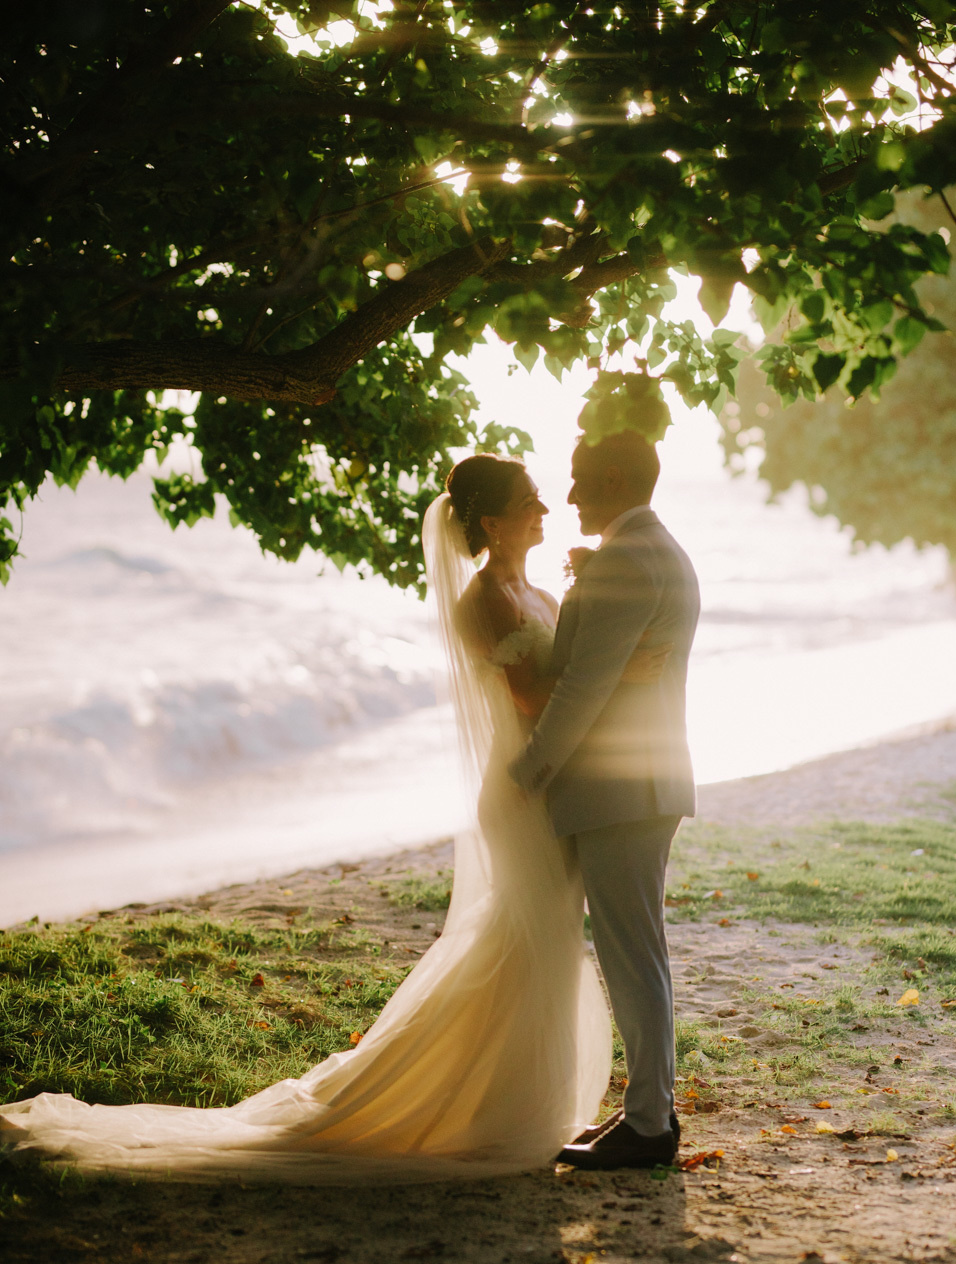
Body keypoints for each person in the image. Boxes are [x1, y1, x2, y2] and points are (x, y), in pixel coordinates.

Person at [0, 453, 663, 1184]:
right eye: (530, 499)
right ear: (491, 521)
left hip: (548, 791)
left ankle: (509, 1097)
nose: (545, 508)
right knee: (524, 941)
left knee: (538, 944)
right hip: (518, 796)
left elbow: (563, 672)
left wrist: (590, 624)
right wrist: (623, 665)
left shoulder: (535, 592)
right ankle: (489, 1106)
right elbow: (535, 699)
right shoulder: (486, 601)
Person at [509, 431, 701, 1170]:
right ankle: (645, 1113)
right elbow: (607, 670)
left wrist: (531, 769)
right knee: (637, 952)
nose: (568, 497)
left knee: (632, 957)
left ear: (615, 477)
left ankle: (649, 1124)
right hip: (643, 781)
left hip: (622, 787)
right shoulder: (655, 550)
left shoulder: (627, 557)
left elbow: (585, 684)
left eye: (581, 480)